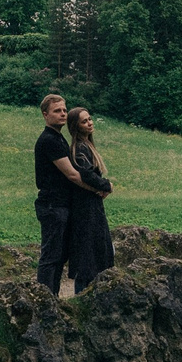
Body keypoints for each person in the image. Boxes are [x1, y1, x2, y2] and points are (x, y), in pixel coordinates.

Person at [32, 93, 82, 293]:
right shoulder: (49, 140)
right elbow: (72, 174)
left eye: (64, 110)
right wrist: (99, 187)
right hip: (52, 205)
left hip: (60, 203)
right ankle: (45, 298)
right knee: (51, 256)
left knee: (58, 255)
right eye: (57, 111)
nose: (63, 114)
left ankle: (52, 297)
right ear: (45, 115)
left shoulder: (58, 138)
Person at [64, 106, 114, 292]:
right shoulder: (79, 149)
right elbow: (86, 174)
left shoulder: (86, 146)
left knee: (96, 249)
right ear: (76, 126)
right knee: (88, 252)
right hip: (85, 207)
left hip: (91, 204)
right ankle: (83, 294)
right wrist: (106, 185)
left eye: (90, 119)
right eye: (84, 121)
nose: (89, 123)